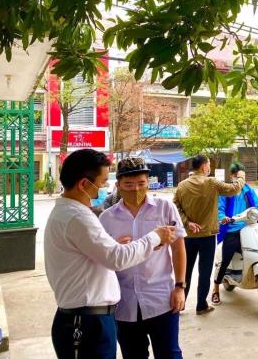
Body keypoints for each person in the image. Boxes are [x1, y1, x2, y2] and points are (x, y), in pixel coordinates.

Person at [44, 149, 177, 359]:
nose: (104, 187)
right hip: (86, 321)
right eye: (103, 182)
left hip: (91, 317)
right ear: (84, 184)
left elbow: (102, 255)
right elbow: (117, 258)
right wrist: (155, 237)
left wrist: (114, 246)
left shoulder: (68, 213)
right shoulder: (79, 217)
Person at [99, 158, 186, 359]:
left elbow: (178, 248)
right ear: (118, 185)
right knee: (133, 355)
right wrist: (116, 248)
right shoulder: (107, 218)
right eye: (129, 184)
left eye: (141, 183)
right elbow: (102, 260)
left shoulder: (165, 208)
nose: (136, 189)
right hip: (124, 304)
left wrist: (180, 287)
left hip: (162, 298)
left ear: (149, 182)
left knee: (170, 354)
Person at [173, 154, 245, 315]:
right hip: (207, 236)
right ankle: (201, 305)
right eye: (209, 165)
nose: (209, 168)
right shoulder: (211, 182)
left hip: (188, 236)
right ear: (204, 166)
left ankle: (180, 304)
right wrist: (241, 177)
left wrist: (187, 222)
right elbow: (234, 189)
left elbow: (175, 207)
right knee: (204, 272)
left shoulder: (182, 185)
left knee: (186, 271)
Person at [212, 163, 258, 305]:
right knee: (225, 260)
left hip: (249, 228)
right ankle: (215, 289)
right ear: (232, 176)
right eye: (239, 176)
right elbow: (219, 209)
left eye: (243, 176)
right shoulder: (226, 191)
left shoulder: (248, 190)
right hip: (232, 230)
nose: (242, 179)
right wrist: (223, 218)